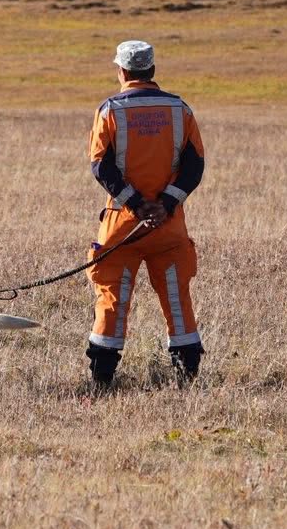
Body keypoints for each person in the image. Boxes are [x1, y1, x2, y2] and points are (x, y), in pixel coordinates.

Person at [85, 39, 205, 390]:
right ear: (152, 70)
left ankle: (102, 382)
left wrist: (136, 205)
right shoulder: (180, 110)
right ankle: (188, 380)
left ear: (122, 71)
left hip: (122, 228)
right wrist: (165, 204)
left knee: (111, 301)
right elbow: (195, 165)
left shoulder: (110, 111)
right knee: (177, 300)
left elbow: (100, 165)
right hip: (168, 227)